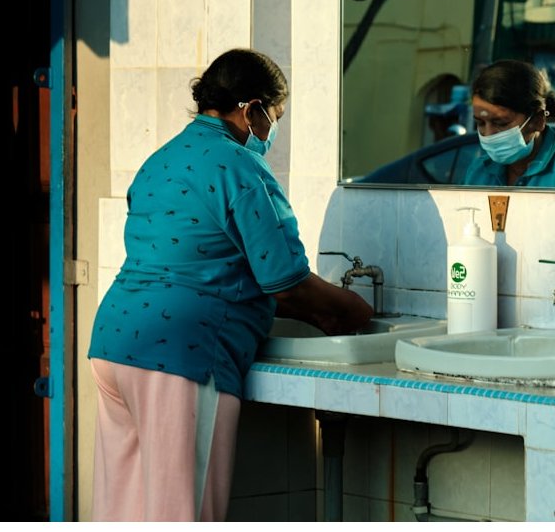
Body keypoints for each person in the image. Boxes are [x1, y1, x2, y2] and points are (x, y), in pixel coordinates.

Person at [87, 48, 372, 521]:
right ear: (251, 109)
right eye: (273, 117)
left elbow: (209, 262)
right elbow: (287, 283)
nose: (271, 132)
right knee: (183, 514)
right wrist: (351, 310)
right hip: (179, 355)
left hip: (115, 345)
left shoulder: (160, 159)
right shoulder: (239, 167)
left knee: (124, 511)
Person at [460, 59, 555, 188]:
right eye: (480, 123)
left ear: (538, 120)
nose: (489, 134)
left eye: (501, 123)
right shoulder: (479, 171)